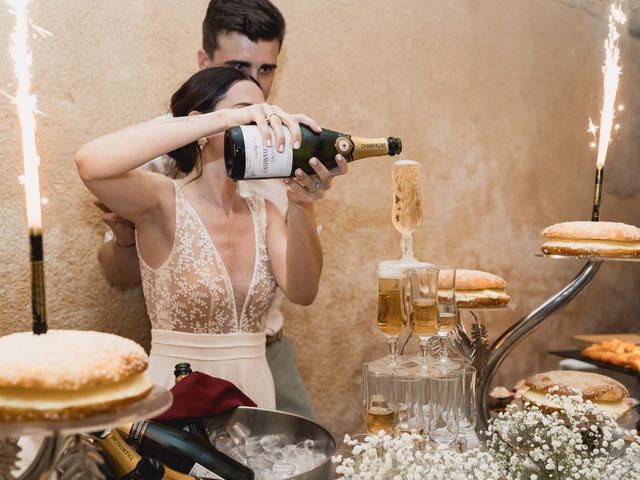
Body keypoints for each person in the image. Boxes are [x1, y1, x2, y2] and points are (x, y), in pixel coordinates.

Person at [96, 0, 345, 418]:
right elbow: (120, 273)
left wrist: (303, 204)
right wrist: (217, 121)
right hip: (185, 366)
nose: (256, 89)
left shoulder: (280, 158)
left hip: (264, 351)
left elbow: (302, 289)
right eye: (239, 68)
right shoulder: (156, 162)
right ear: (204, 63)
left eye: (266, 71)